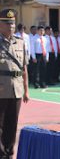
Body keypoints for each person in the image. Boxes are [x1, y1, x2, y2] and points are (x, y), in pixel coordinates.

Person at [0, 9, 29, 159]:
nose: (11, 26)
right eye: (7, 23)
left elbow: (24, 67)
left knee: (12, 125)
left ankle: (9, 153)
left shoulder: (20, 42)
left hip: (16, 89)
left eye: (12, 23)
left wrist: (26, 89)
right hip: (1, 89)